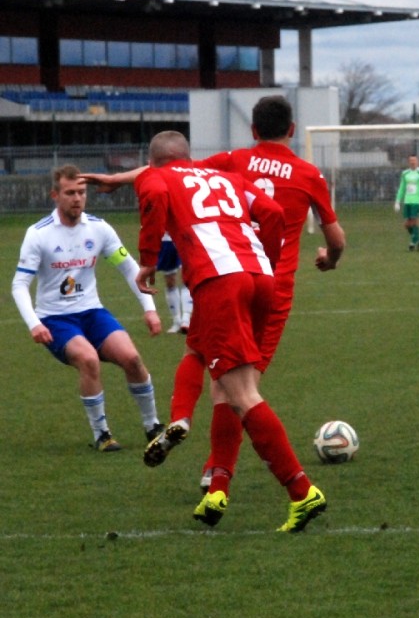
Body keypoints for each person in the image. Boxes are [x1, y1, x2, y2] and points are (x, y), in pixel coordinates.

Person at [86, 94, 346, 493]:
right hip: (270, 284)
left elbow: (172, 170)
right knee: (238, 387)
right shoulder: (308, 174)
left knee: (217, 372)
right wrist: (330, 258)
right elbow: (335, 239)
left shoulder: (234, 160)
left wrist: (118, 179)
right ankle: (225, 476)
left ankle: (208, 457)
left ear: (253, 129)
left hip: (221, 271)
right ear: (293, 130)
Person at [134, 130, 327, 533]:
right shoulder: (226, 178)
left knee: (242, 393)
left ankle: (302, 492)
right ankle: (217, 488)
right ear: (189, 156)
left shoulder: (157, 176)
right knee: (215, 373)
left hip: (219, 281)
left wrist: (149, 260)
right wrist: (265, 259)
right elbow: (272, 213)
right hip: (259, 277)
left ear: (153, 161)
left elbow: (153, 197)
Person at [11, 164, 163, 451]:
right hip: (55, 319)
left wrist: (150, 308)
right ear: (55, 195)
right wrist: (34, 324)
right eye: (70, 193)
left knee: (132, 358)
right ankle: (102, 435)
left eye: (81, 192)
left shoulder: (98, 228)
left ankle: (152, 425)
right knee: (89, 360)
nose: (77, 198)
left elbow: (129, 267)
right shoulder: (39, 234)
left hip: (92, 313)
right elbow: (19, 285)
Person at [157, 232, 193, 334]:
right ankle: (177, 321)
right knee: (170, 281)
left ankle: (186, 319)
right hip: (166, 240)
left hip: (184, 237)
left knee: (186, 278)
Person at [394, 154, 419, 251]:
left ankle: (413, 243)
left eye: (414, 160)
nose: (412, 162)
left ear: (418, 161)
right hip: (407, 202)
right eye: (411, 160)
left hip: (417, 202)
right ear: (408, 162)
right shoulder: (405, 173)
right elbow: (402, 188)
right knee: (407, 225)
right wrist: (397, 201)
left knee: (414, 221)